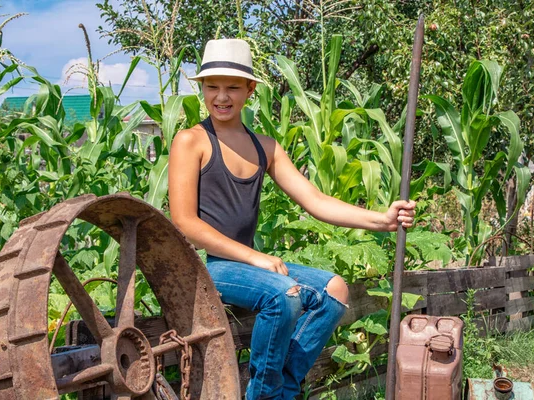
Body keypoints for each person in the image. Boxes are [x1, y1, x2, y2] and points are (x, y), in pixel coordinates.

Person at [168, 39, 415, 400]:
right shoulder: (191, 141)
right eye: (212, 86)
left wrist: (383, 220)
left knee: (335, 290)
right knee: (283, 295)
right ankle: (267, 395)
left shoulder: (264, 147)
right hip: (208, 268)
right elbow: (185, 222)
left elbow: (315, 200)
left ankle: (279, 388)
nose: (221, 97)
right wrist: (255, 257)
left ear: (250, 89)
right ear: (202, 88)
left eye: (233, 87)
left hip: (246, 267)